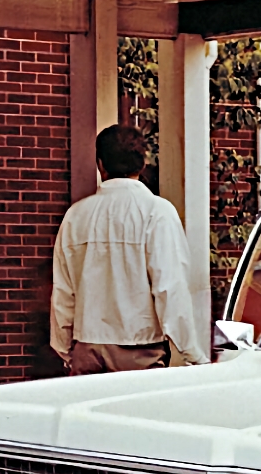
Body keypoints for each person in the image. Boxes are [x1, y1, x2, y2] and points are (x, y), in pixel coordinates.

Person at [50, 124, 207, 374]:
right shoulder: (157, 212)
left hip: (87, 345)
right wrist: (192, 352)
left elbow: (63, 290)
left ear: (101, 164)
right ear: (142, 164)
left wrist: (64, 346)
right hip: (141, 348)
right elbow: (170, 287)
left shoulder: (76, 216)